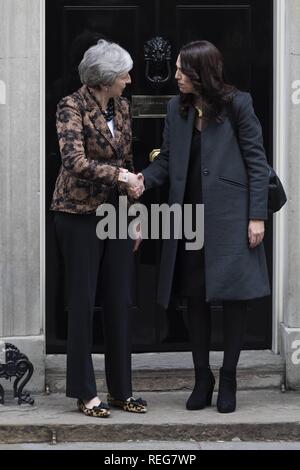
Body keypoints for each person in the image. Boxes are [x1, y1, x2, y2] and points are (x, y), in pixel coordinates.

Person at [130, 40, 270, 413]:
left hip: (231, 218)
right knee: (194, 298)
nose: (174, 76)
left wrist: (257, 216)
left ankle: (229, 377)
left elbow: (258, 163)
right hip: (188, 220)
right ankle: (202, 377)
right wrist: (141, 180)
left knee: (235, 299)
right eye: (175, 69)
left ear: (200, 73)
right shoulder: (176, 108)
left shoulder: (239, 105)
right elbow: (168, 161)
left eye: (181, 70)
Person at [51, 39, 146, 417]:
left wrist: (136, 213)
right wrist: (120, 175)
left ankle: (122, 391)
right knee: (82, 301)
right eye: (124, 73)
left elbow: (128, 157)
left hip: (117, 215)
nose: (129, 79)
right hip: (76, 213)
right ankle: (86, 393)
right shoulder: (70, 106)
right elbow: (73, 160)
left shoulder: (121, 106)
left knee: (120, 301)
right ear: (105, 78)